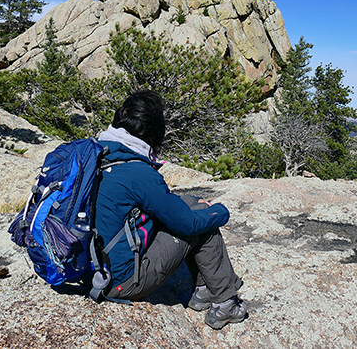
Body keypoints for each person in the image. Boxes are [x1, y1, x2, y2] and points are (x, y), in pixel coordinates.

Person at [95, 90, 247, 330]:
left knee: (192, 207)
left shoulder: (98, 151)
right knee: (203, 223)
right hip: (120, 281)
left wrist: (194, 203)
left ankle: (204, 291)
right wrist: (220, 211)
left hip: (87, 267)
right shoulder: (138, 171)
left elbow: (162, 205)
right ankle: (225, 303)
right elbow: (188, 224)